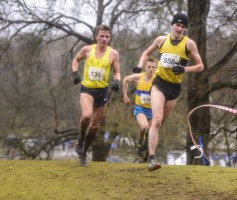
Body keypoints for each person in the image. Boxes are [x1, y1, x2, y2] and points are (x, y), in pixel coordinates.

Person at [133, 13, 204, 171]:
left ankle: (145, 142)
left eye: (183, 26)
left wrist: (184, 68)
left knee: (158, 124)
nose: (180, 28)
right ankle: (151, 160)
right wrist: (139, 65)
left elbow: (200, 66)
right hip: (159, 84)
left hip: (174, 88)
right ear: (172, 25)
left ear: (185, 29)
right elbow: (146, 52)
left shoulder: (189, 44)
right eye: (177, 25)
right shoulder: (161, 40)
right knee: (156, 120)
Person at [71, 24, 121, 166]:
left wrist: (117, 81)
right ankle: (80, 139)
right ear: (96, 37)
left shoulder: (113, 54)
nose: (104, 39)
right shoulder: (87, 49)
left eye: (107, 36)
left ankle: (83, 153)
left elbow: (117, 71)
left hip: (102, 92)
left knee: (94, 127)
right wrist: (75, 73)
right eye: (101, 36)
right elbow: (75, 60)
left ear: (109, 38)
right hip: (87, 89)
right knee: (86, 115)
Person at [123, 57, 157, 162]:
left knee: (153, 136)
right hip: (140, 108)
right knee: (144, 126)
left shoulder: (157, 79)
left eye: (153, 67)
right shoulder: (139, 77)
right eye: (149, 67)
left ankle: (146, 156)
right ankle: (140, 143)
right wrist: (125, 96)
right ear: (144, 68)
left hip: (152, 110)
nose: (151, 69)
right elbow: (125, 80)